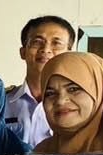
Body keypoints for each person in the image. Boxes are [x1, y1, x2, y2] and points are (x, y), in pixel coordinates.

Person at [5, 16, 74, 147]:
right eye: (37, 42)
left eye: (56, 43)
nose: (46, 49)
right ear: (23, 52)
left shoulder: (78, 105)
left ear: (69, 55)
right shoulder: (0, 103)